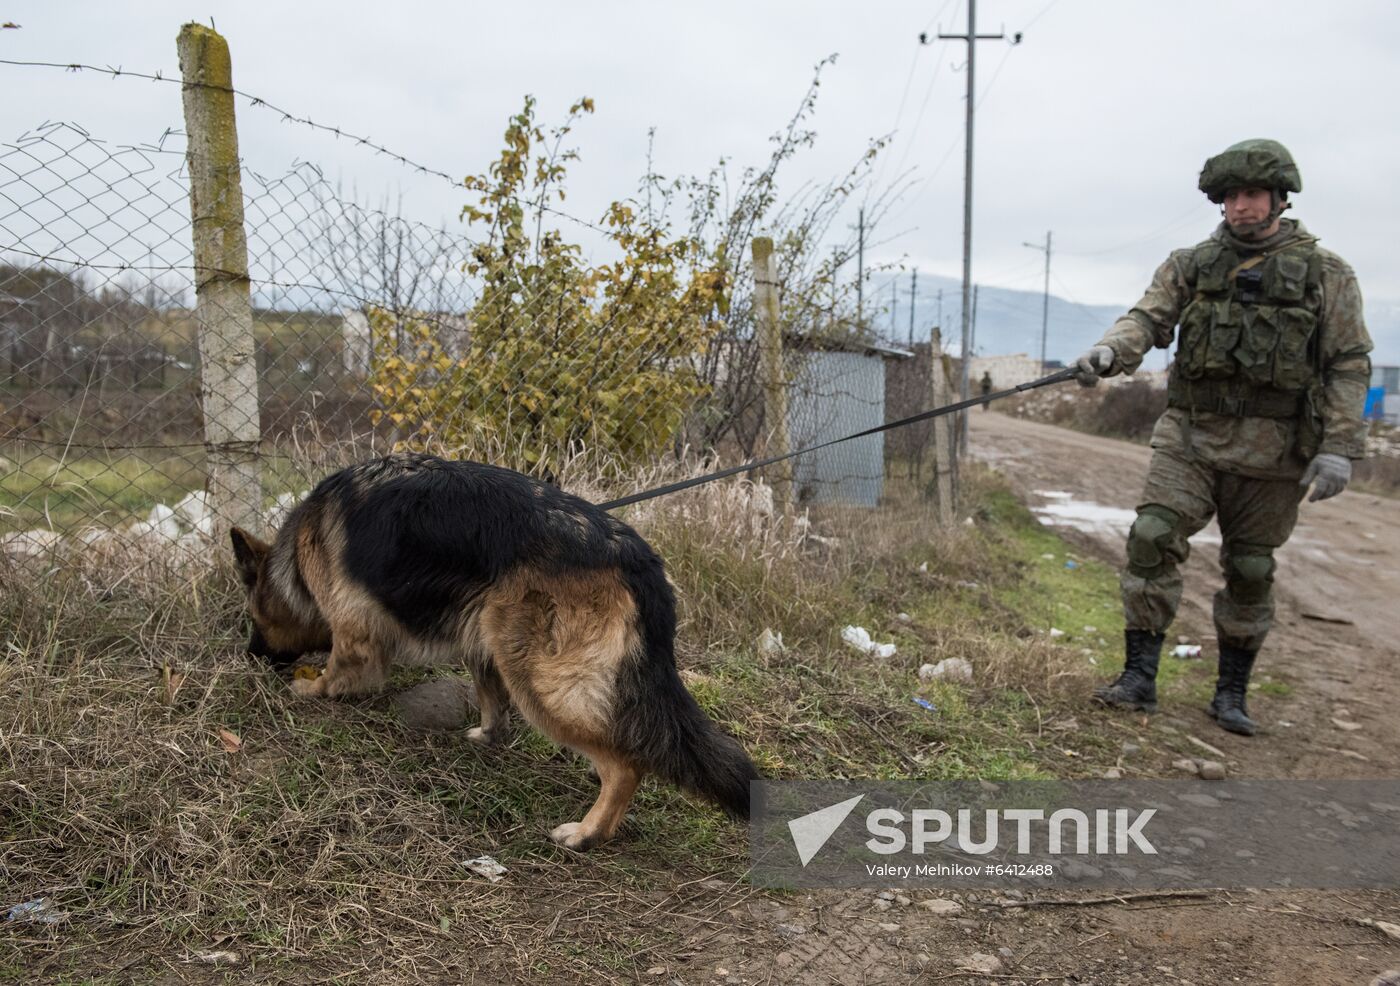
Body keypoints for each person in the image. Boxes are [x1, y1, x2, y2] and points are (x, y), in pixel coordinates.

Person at [1073, 139, 1372, 736]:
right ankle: (1138, 678)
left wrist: (1339, 446)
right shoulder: (1192, 263)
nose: (1240, 206)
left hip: (1274, 449)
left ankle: (1231, 692)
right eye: (1231, 196)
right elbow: (1149, 317)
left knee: (1252, 568)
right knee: (1152, 536)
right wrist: (1111, 350)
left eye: (1252, 194)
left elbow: (1348, 362)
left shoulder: (1327, 274)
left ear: (1280, 199)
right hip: (1192, 435)